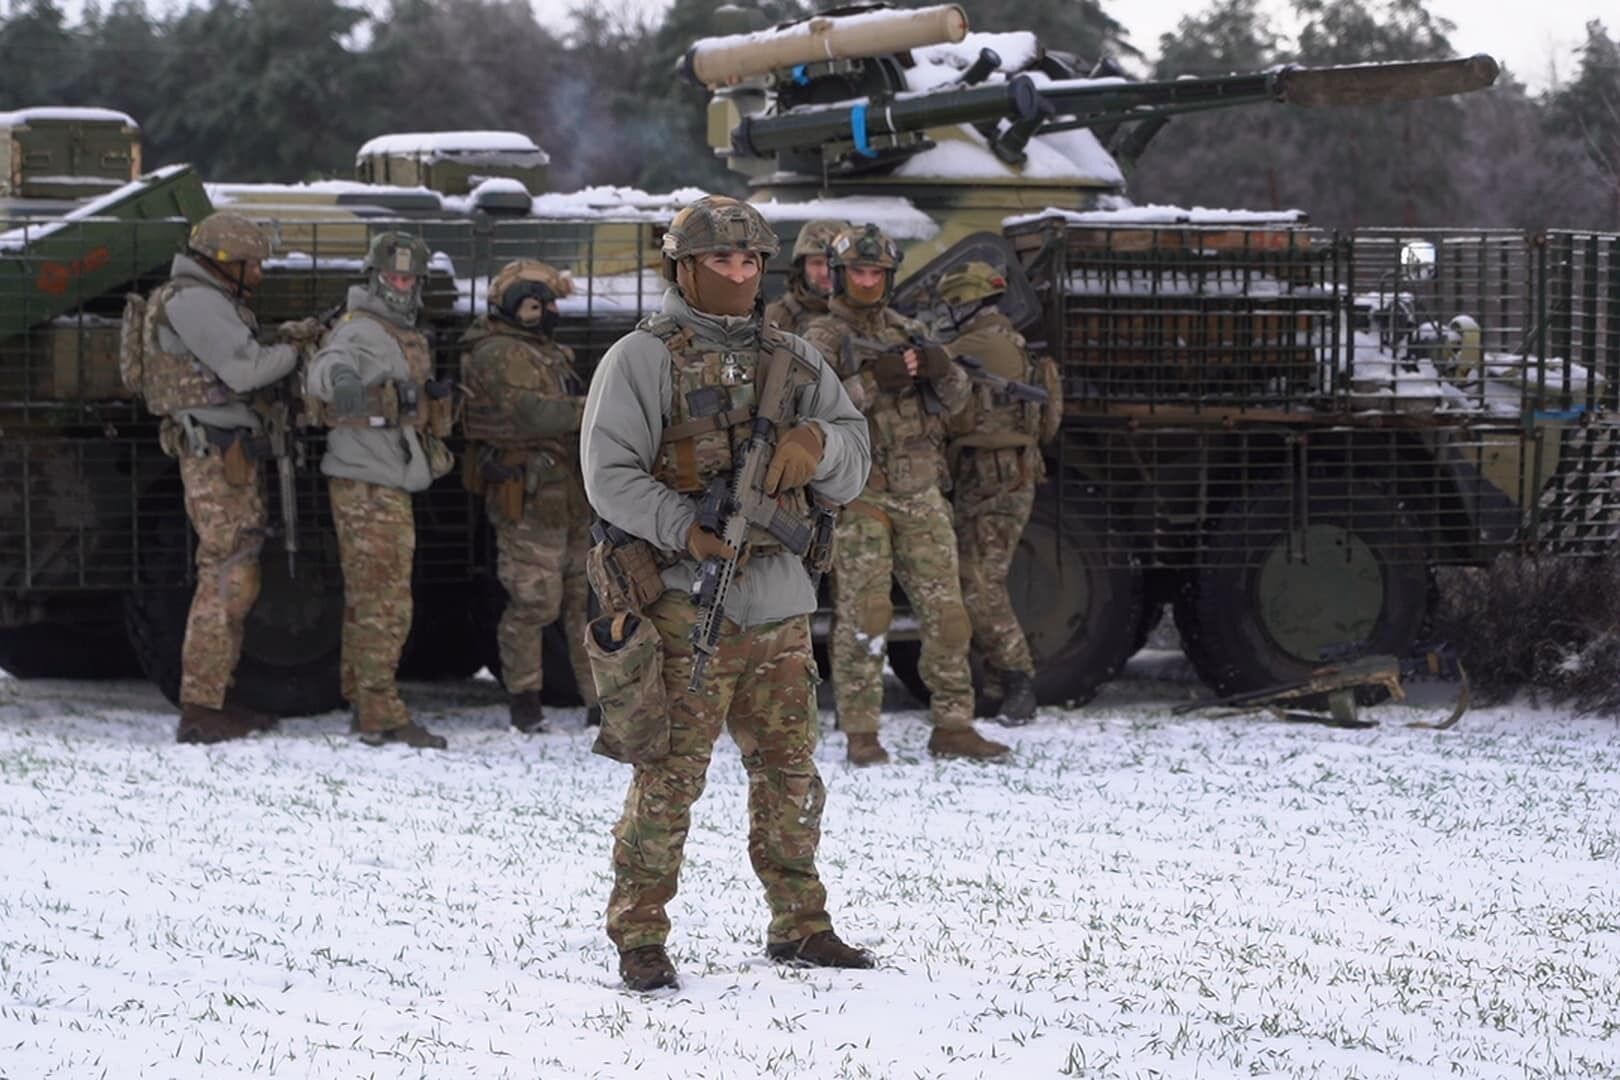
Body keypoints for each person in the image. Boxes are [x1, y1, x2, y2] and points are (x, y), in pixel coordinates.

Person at [580, 194, 873, 993]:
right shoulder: (641, 359)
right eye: (721, 261)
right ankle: (640, 934)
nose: (739, 274)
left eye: (750, 262)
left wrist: (818, 445)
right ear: (685, 266)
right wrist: (685, 528)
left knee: (789, 774)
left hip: (779, 604)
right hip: (685, 601)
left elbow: (858, 448)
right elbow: (608, 478)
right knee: (670, 775)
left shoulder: (797, 357)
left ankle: (802, 925)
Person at [804, 225, 1011, 766]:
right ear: (840, 275)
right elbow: (805, 413)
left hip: (920, 489)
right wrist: (875, 382)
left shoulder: (911, 329)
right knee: (864, 616)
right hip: (860, 494)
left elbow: (960, 403)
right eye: (859, 273)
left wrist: (941, 370)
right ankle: (862, 732)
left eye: (877, 273)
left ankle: (954, 724)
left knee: (948, 615)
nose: (869, 283)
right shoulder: (821, 338)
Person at [139, 211, 307, 744]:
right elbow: (246, 370)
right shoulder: (195, 299)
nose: (258, 274)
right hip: (217, 455)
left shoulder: (199, 296)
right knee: (226, 575)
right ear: (224, 262)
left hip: (222, 451)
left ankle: (213, 697)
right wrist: (295, 350)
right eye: (252, 264)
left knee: (231, 572)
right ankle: (202, 706)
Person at [306, 231, 455, 750]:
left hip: (379, 476)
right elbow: (327, 367)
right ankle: (381, 711)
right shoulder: (362, 329)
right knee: (386, 603)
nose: (401, 285)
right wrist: (341, 383)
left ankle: (365, 701)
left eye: (409, 278)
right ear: (374, 277)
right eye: (393, 277)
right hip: (369, 484)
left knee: (370, 598)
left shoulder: (394, 328)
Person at [459, 259, 598, 733]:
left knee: (585, 603)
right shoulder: (498, 352)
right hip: (531, 496)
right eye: (539, 304)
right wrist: (595, 409)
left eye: (552, 304)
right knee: (534, 603)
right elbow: (533, 414)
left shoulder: (545, 352)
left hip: (570, 495)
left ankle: (599, 706)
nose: (550, 312)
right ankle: (525, 701)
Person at [938, 261, 1059, 724]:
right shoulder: (1002, 338)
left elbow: (937, 365)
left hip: (999, 479)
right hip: (987, 477)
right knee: (976, 580)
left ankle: (1017, 681)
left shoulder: (984, 342)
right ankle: (994, 686)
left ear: (965, 303)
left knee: (979, 584)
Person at [763, 218, 846, 336]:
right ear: (802, 267)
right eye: (817, 263)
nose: (825, 272)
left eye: (833, 262)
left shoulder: (869, 316)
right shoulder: (775, 317)